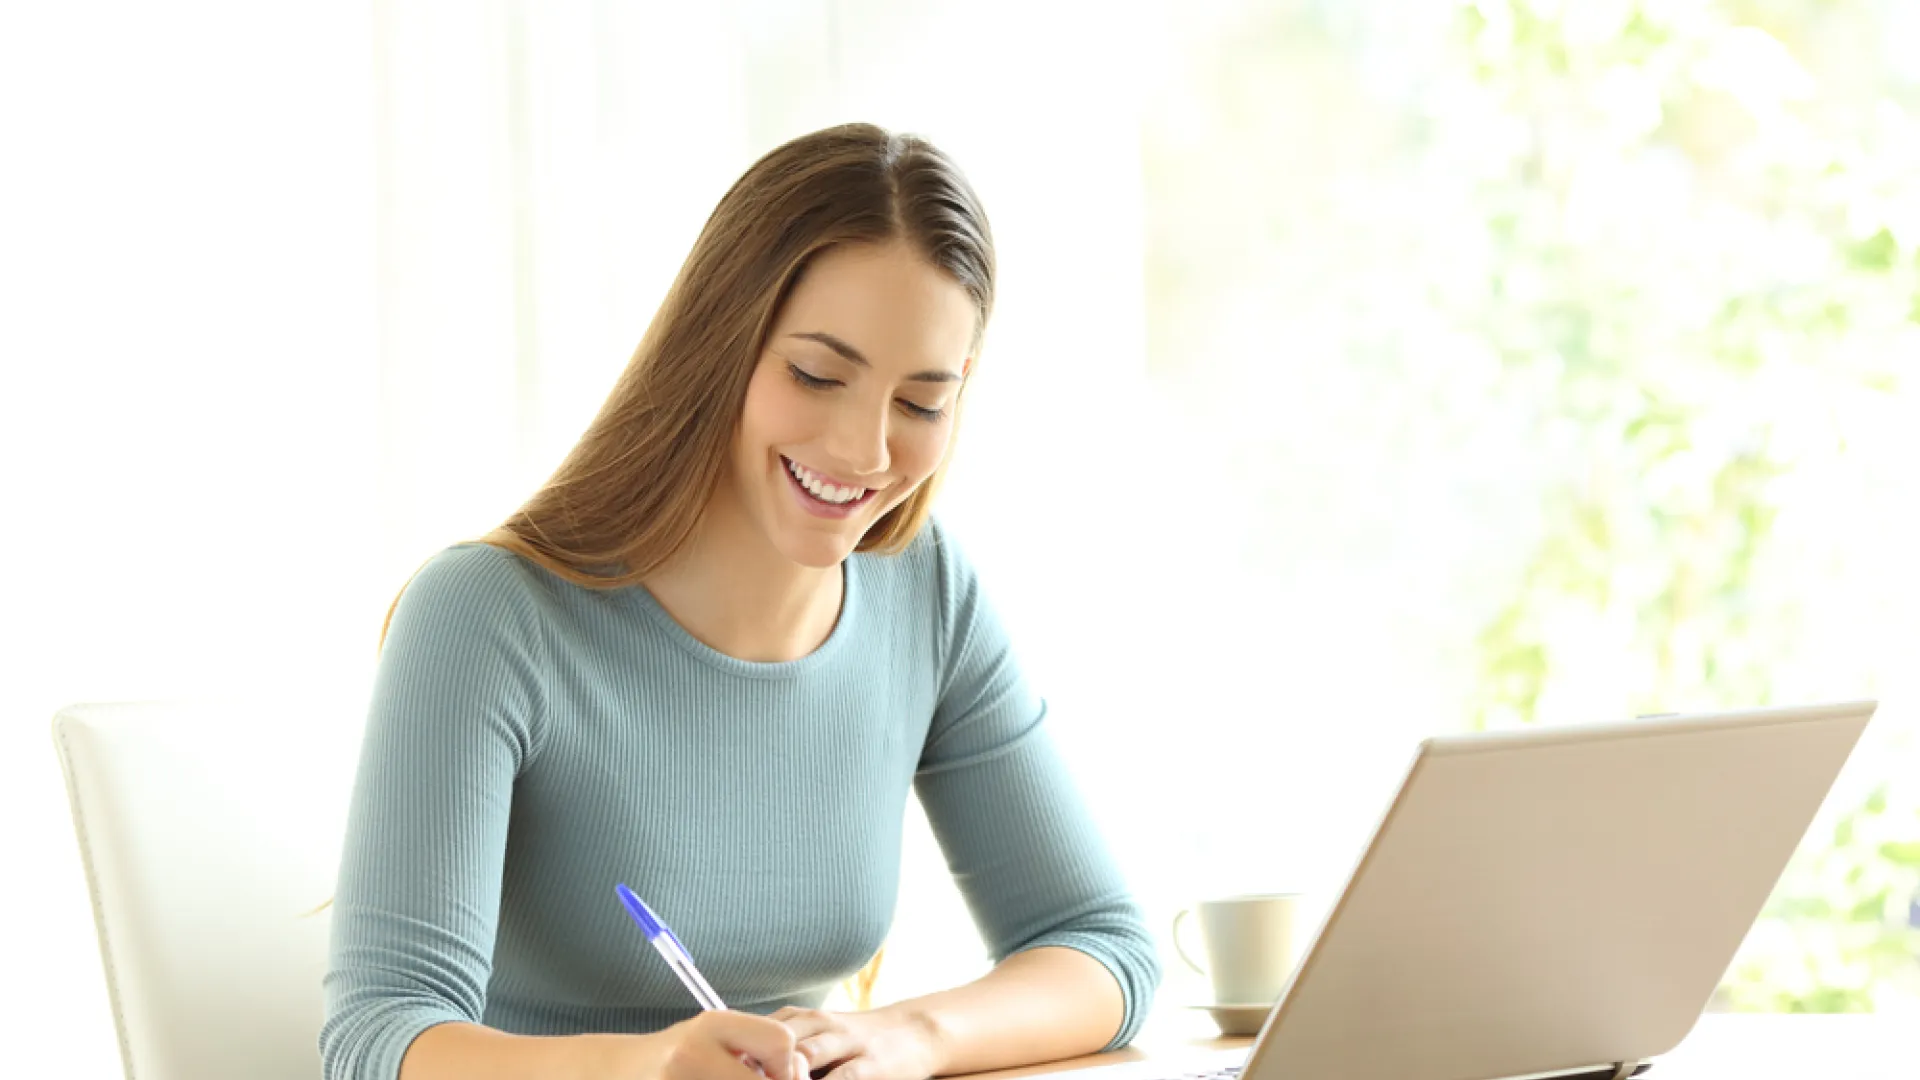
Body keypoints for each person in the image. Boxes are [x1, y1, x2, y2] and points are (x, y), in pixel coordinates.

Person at [320, 122, 1160, 1080]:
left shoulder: (926, 594)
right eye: (816, 374)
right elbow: (377, 1038)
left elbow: (1102, 947)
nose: (865, 452)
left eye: (921, 402)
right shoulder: (486, 617)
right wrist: (650, 1068)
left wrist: (905, 1035)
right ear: (722, 345)